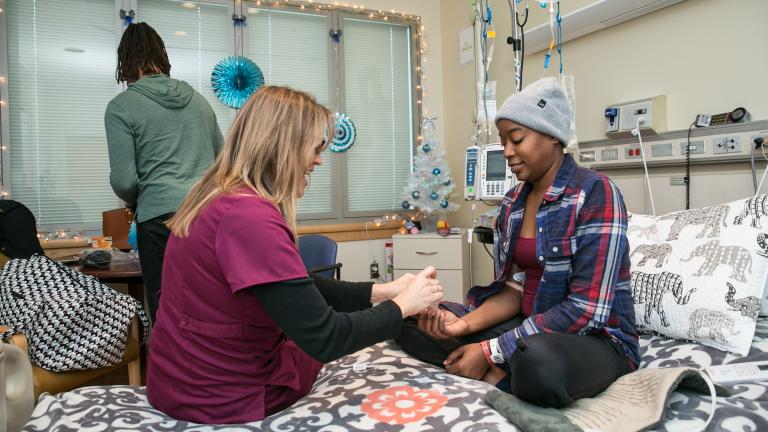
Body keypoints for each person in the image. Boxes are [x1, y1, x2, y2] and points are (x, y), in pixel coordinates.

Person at [145, 86, 444, 424]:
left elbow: (293, 287)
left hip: (177, 383)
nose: (318, 160)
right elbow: (326, 338)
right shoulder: (249, 217)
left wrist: (381, 292)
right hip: (222, 394)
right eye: (315, 149)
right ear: (282, 145)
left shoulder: (216, 198)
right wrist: (403, 306)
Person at [396, 77, 639, 408]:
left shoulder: (595, 192)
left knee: (539, 364)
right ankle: (496, 368)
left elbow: (587, 311)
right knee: (408, 320)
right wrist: (461, 325)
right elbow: (513, 290)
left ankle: (496, 371)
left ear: (553, 135)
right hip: (527, 327)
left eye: (517, 139)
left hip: (592, 339)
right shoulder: (512, 204)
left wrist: (490, 349)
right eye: (503, 141)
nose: (507, 151)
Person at [105, 22, 224, 324]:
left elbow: (124, 180)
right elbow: (224, 164)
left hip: (160, 221)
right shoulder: (199, 102)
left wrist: (139, 199)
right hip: (208, 215)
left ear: (125, 62)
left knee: (167, 312)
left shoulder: (121, 107)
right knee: (212, 304)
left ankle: (172, 371)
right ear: (162, 55)